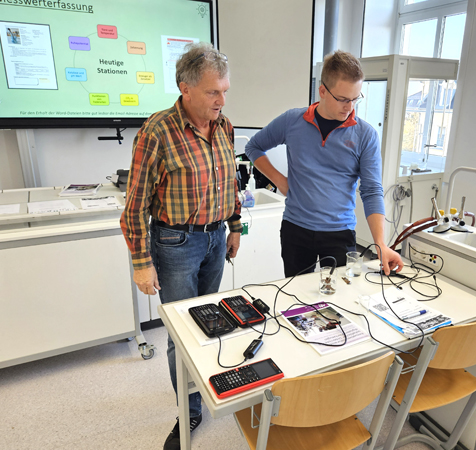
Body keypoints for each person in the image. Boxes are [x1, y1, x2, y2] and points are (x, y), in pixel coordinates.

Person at [120, 42, 242, 450]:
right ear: (185, 88)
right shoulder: (157, 131)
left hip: (216, 238)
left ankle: (207, 387)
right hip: (175, 243)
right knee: (181, 334)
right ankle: (189, 410)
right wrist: (141, 262)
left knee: (211, 323)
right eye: (213, 92)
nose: (221, 100)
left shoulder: (223, 126)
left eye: (225, 91)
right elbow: (135, 206)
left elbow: (230, 182)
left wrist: (235, 227)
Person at [245, 50, 402, 277]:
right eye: (343, 99)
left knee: (341, 294)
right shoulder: (292, 121)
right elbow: (253, 147)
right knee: (296, 294)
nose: (350, 107)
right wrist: (280, 181)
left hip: (340, 233)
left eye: (355, 99)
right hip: (296, 229)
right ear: (322, 91)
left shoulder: (365, 135)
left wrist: (381, 244)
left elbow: (372, 191)